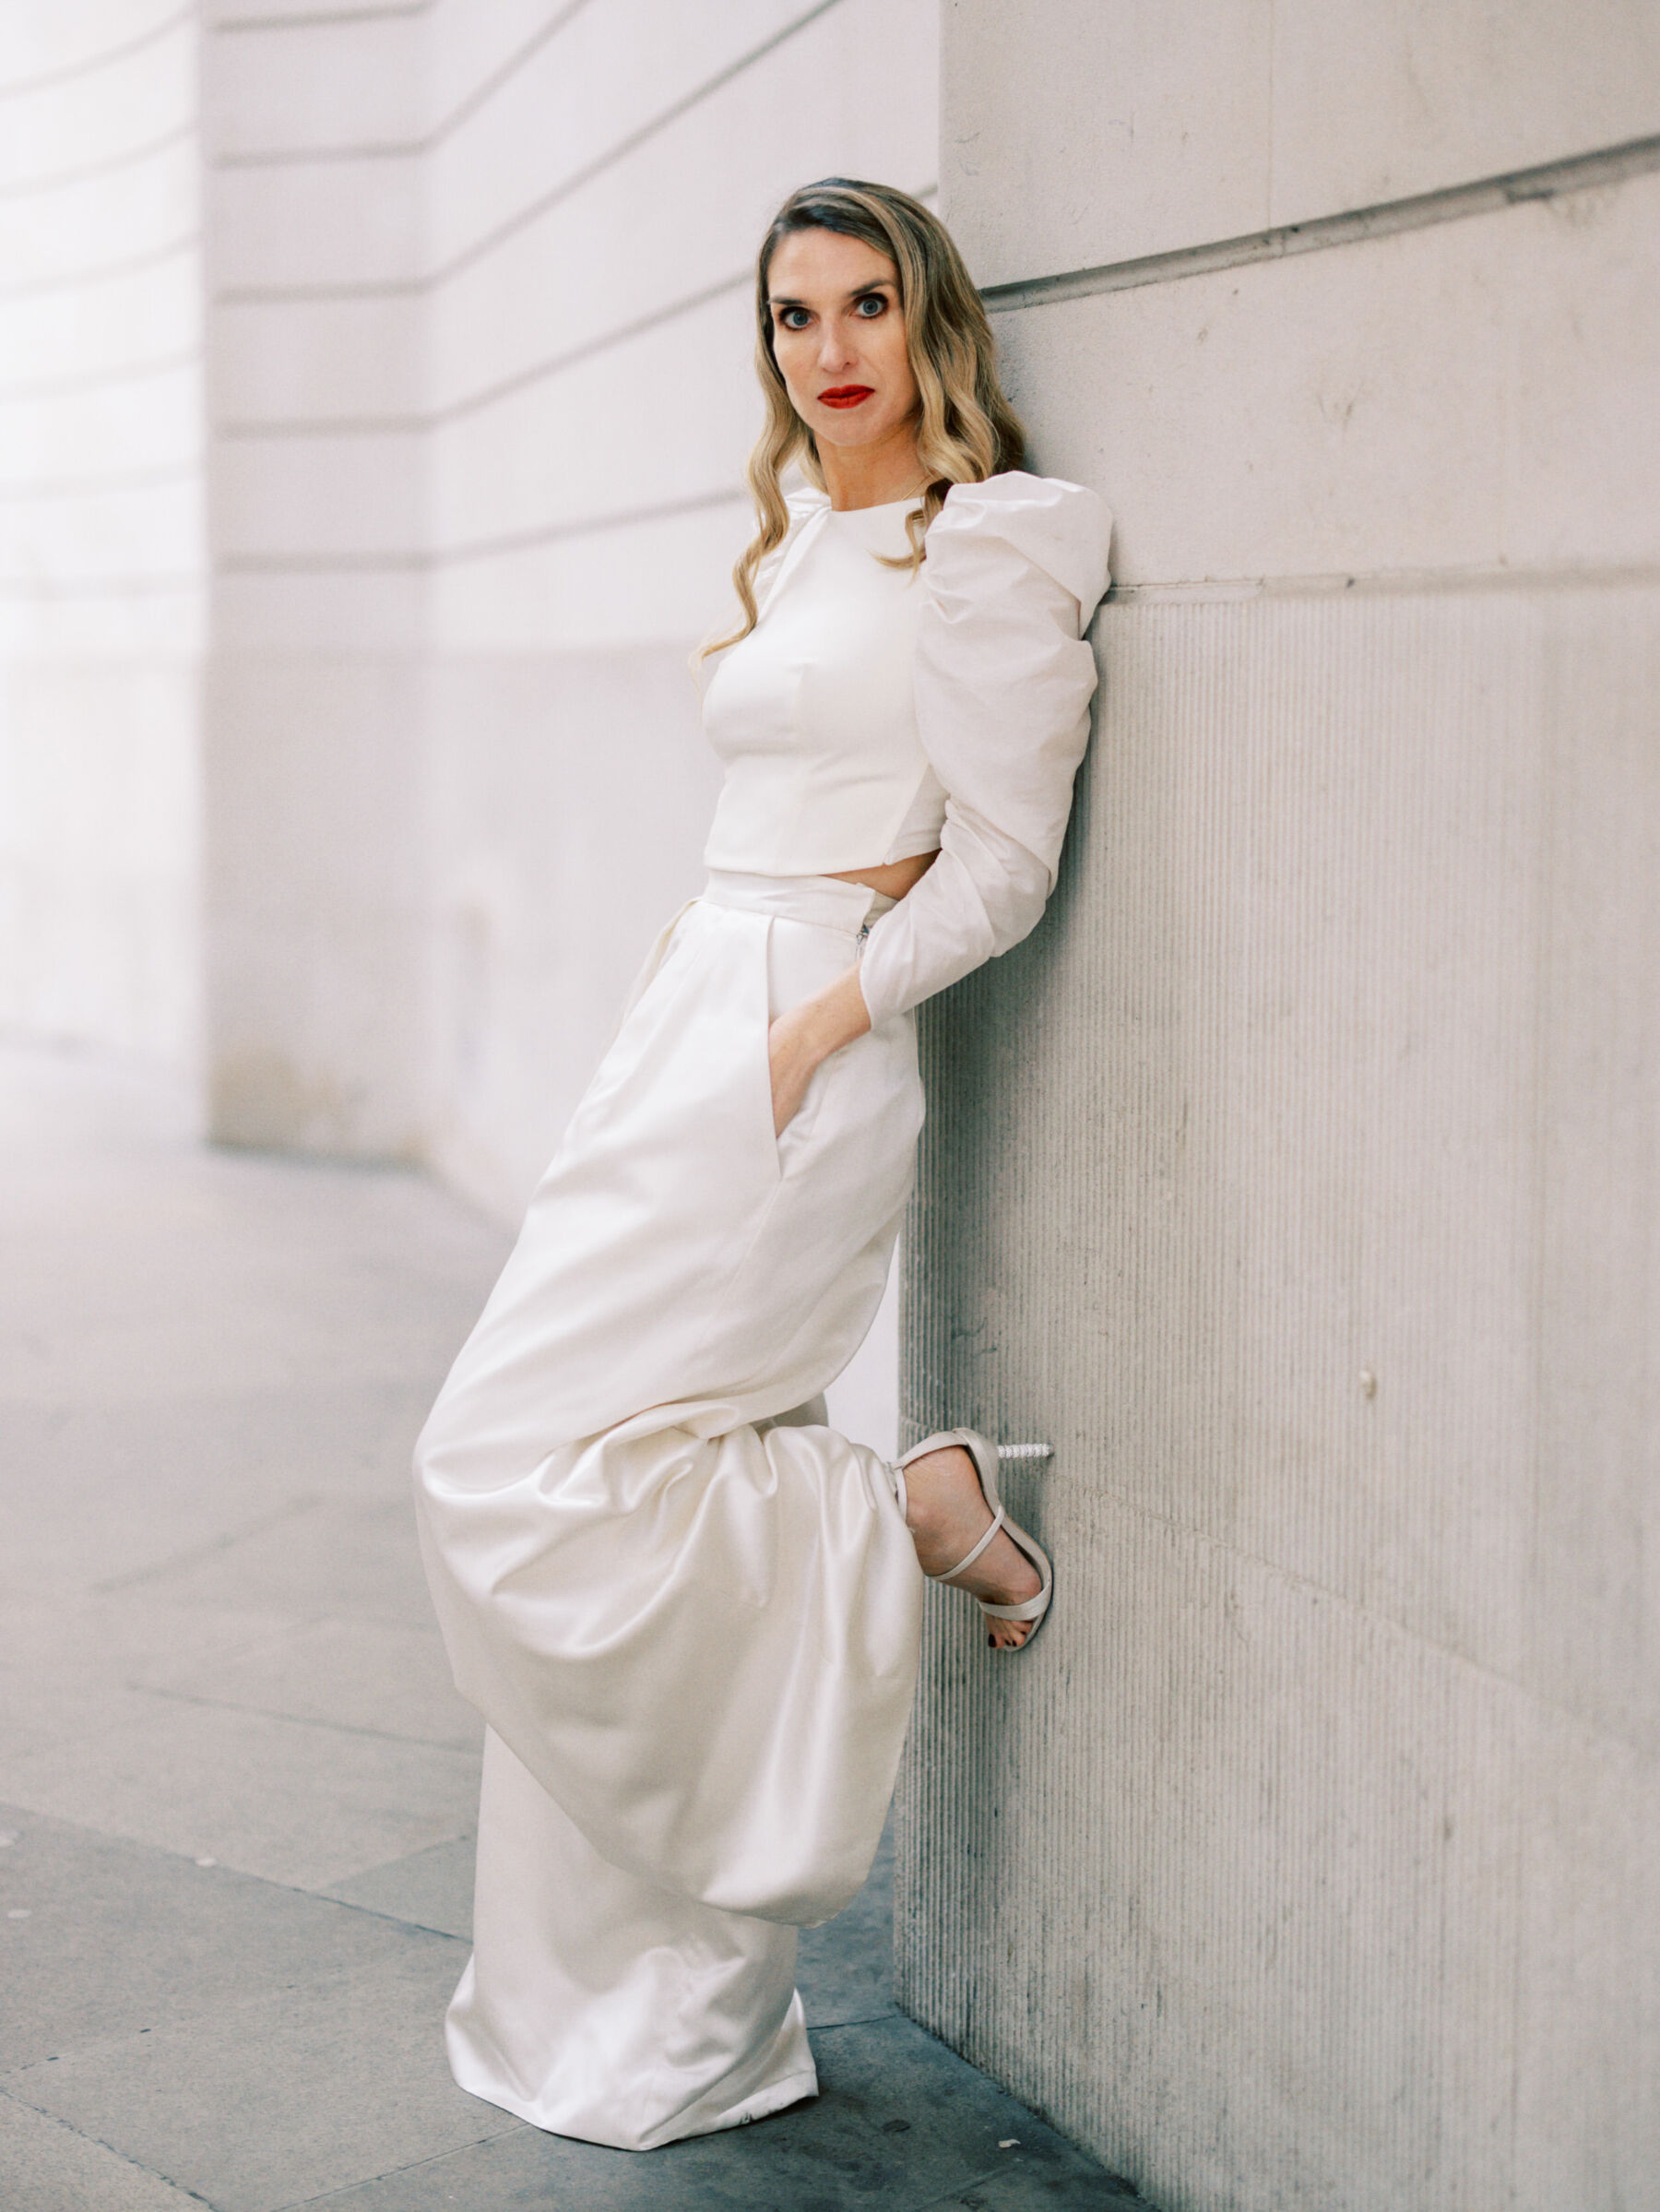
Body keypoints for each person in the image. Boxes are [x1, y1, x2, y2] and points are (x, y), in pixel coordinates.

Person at [411, 176, 1111, 2153]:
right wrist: (721, 991)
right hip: (692, 1024)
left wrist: (824, 1009)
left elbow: (1002, 859)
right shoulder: (803, 537)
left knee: (512, 1467)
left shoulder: (979, 555)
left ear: (932, 321)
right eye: (795, 317)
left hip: (799, 1053)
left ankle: (888, 1507)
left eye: (869, 305)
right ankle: (620, 2003)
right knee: (578, 1456)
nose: (831, 353)